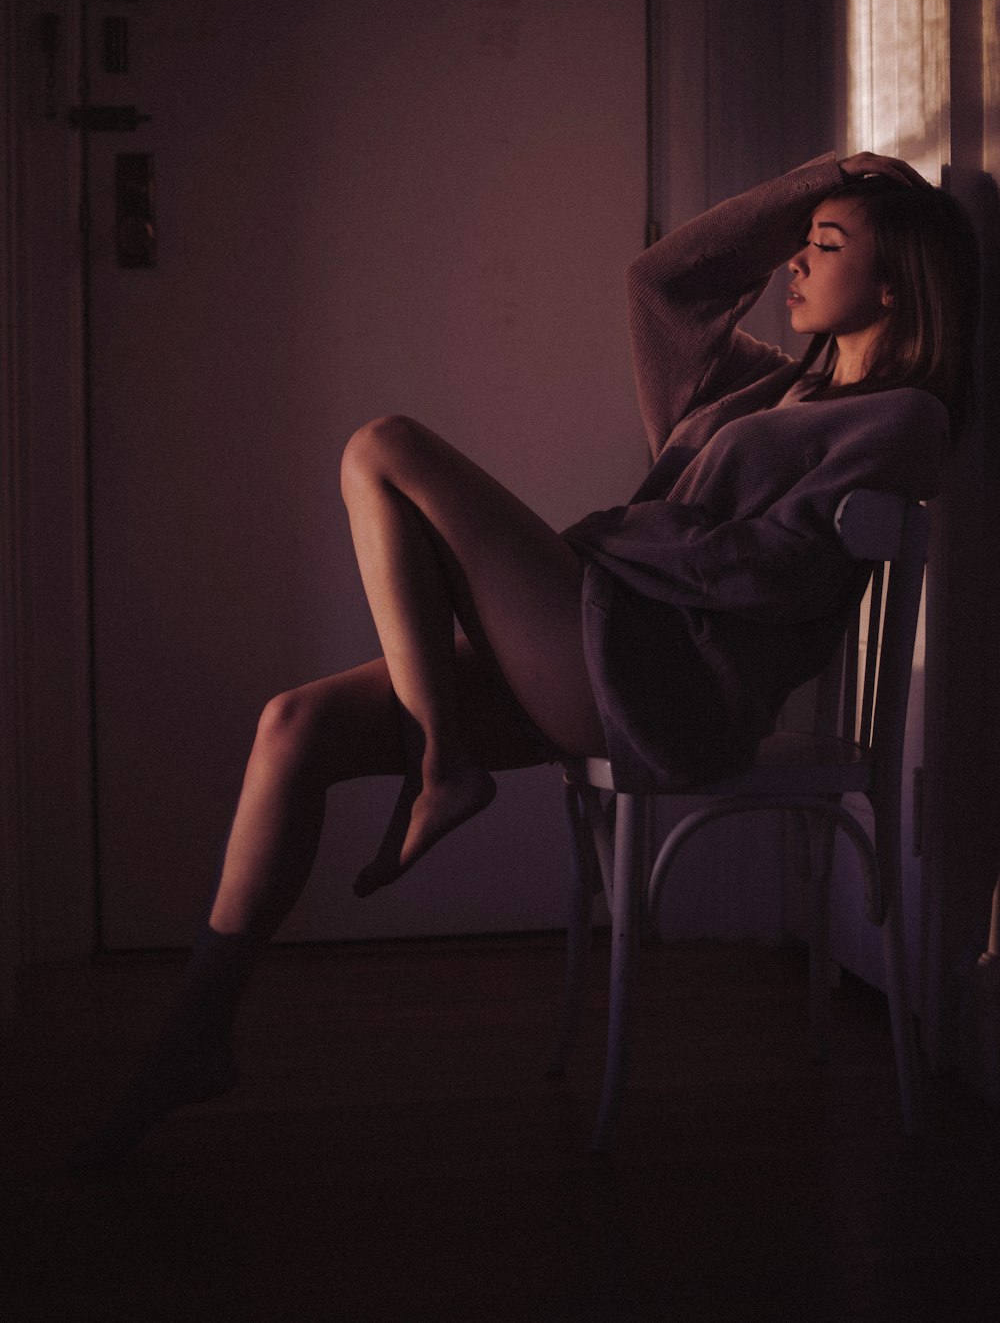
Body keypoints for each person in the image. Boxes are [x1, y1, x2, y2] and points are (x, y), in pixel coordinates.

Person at [74, 150, 978, 1167]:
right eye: (800, 245)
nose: (795, 266)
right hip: (604, 639)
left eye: (823, 246)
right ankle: (199, 1030)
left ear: (894, 282)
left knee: (384, 445)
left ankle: (443, 766)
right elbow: (661, 281)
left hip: (662, 675)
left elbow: (782, 574)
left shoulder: (903, 418)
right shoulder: (755, 385)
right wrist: (820, 183)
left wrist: (610, 544)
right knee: (294, 726)